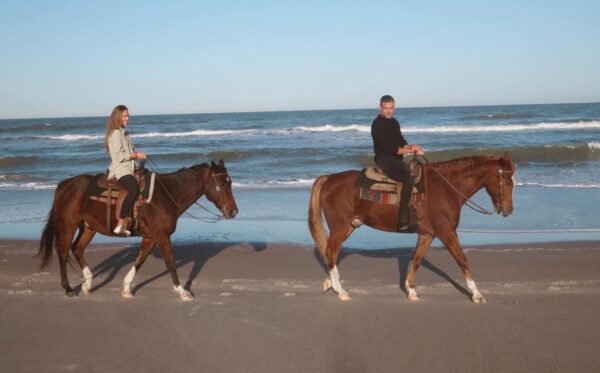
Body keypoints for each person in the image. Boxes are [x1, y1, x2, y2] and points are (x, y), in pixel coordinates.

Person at [371, 95, 424, 231]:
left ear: (394, 108)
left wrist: (412, 147)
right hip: (384, 159)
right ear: (380, 108)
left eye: (391, 108)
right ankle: (403, 218)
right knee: (408, 176)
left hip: (394, 159)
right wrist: (408, 149)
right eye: (386, 108)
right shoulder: (377, 124)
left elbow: (400, 140)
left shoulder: (394, 122)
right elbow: (389, 148)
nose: (389, 111)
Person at [105, 105, 146, 236]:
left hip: (129, 167)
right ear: (118, 117)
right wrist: (136, 155)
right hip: (121, 169)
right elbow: (118, 156)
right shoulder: (116, 134)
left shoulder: (125, 132)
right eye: (124, 116)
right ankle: (120, 223)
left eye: (128, 116)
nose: (127, 118)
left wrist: (140, 160)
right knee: (134, 189)